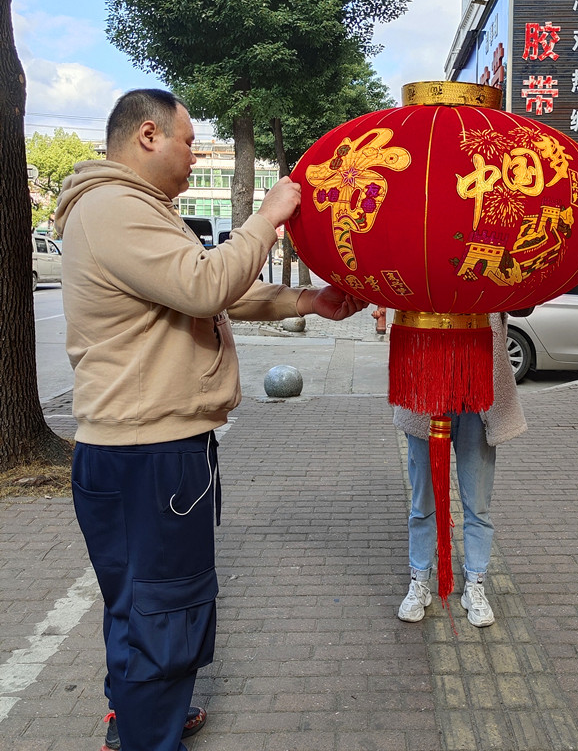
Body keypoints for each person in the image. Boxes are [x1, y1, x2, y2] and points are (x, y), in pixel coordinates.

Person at [53, 89, 367, 751]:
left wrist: (304, 298)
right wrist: (270, 217)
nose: (194, 154)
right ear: (147, 136)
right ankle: (149, 734)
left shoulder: (126, 209)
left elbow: (201, 285)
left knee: (135, 601)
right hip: (154, 452)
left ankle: (135, 716)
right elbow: (204, 287)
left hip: (126, 448)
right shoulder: (117, 209)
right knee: (167, 608)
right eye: (189, 141)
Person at [393, 310, 531, 627]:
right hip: (426, 390)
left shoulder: (486, 260)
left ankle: (475, 585)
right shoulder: (420, 263)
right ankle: (420, 582)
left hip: (477, 394)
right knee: (423, 502)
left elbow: (522, 303)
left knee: (477, 505)